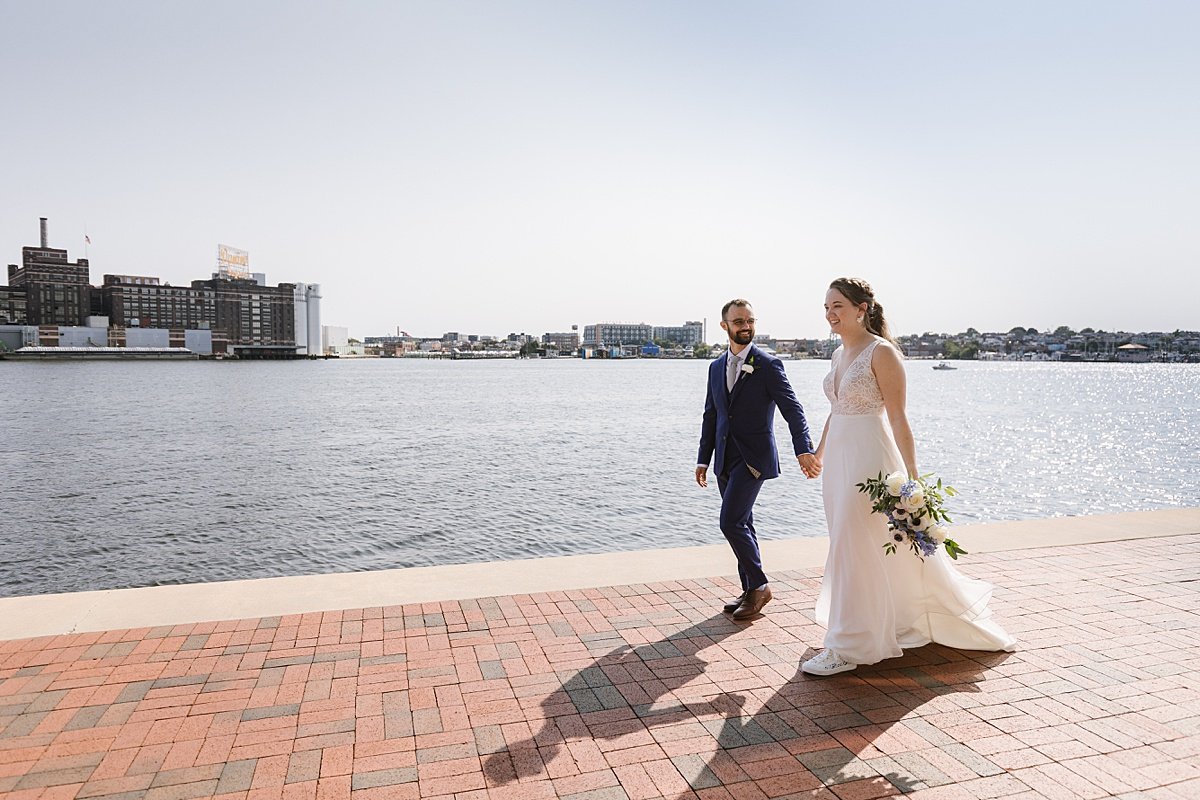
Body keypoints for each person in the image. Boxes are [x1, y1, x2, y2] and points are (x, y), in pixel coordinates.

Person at [801, 278, 1016, 676]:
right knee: (851, 541)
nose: (830, 314)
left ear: (862, 308)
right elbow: (837, 409)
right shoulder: (836, 355)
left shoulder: (882, 353)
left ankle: (850, 645)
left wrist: (913, 480)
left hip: (871, 460)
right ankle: (887, 621)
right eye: (826, 307)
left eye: (838, 306)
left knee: (854, 541)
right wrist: (819, 453)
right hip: (840, 463)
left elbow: (898, 418)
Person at [697, 299, 821, 620]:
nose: (746, 326)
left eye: (750, 320)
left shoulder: (767, 364)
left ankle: (761, 586)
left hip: (753, 460)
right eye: (739, 321)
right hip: (724, 459)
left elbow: (793, 409)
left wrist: (803, 448)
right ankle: (750, 589)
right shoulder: (715, 367)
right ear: (725, 326)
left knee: (730, 522)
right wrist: (703, 459)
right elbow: (712, 416)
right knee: (744, 523)